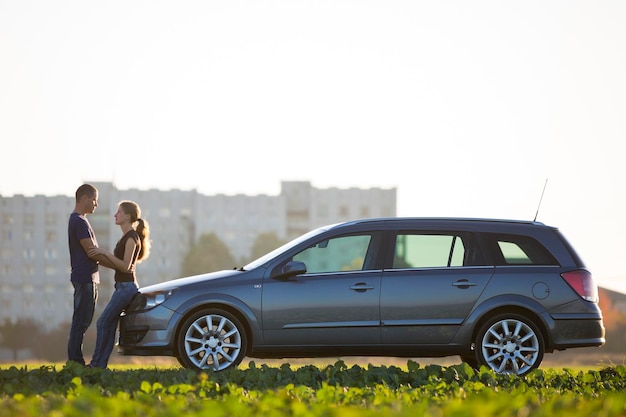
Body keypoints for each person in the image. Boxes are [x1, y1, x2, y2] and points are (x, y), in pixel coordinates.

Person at [87, 200, 151, 369]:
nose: (115, 215)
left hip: (127, 288)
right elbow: (119, 265)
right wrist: (98, 260)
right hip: (122, 287)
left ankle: (96, 365)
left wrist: (103, 252)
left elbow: (125, 266)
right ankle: (99, 365)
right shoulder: (126, 237)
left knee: (102, 323)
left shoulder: (132, 238)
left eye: (119, 212)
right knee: (109, 324)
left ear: (127, 216)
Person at [67, 183, 100, 365]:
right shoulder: (78, 221)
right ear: (85, 198)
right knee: (80, 321)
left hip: (89, 278)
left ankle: (75, 360)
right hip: (84, 278)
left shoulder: (81, 221)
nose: (96, 204)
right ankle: (75, 361)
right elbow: (91, 251)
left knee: (83, 321)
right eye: (94, 200)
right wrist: (117, 263)